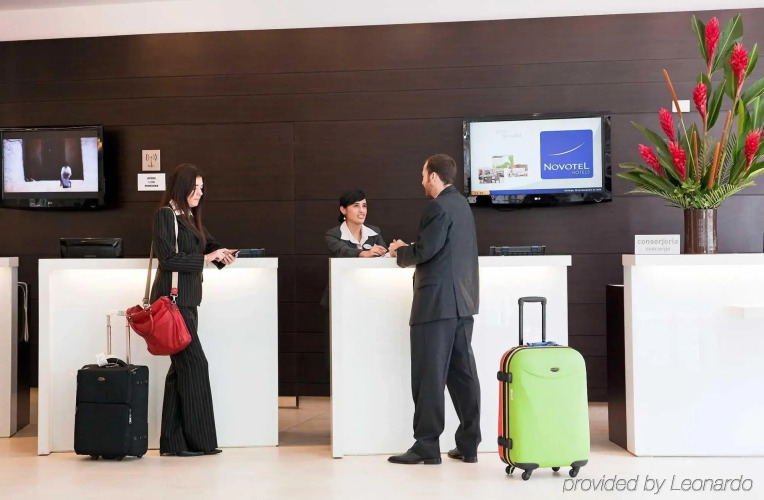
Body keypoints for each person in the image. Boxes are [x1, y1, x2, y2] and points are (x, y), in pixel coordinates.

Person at [387, 154, 481, 465]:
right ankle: (469, 443)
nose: (421, 181)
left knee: (429, 375)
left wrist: (400, 251)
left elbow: (426, 250)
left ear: (434, 177)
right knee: (463, 375)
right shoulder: (462, 205)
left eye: (423, 175)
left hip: (436, 304)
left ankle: (427, 445)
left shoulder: (437, 207)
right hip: (462, 302)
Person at [150, 163, 236, 457]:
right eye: (195, 188)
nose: (200, 193)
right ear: (182, 187)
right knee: (195, 365)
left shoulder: (188, 216)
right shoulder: (166, 215)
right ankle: (200, 442)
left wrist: (223, 254)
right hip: (173, 302)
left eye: (202, 188)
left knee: (180, 371)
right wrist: (207, 258)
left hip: (188, 302)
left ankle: (174, 444)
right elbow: (167, 259)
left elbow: (209, 245)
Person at [320, 189, 387, 308]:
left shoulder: (374, 232)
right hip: (340, 295)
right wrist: (364, 253)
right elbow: (343, 251)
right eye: (356, 206)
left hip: (369, 294)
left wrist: (391, 251)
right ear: (343, 210)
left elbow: (384, 253)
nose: (362, 210)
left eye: (364, 206)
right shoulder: (333, 235)